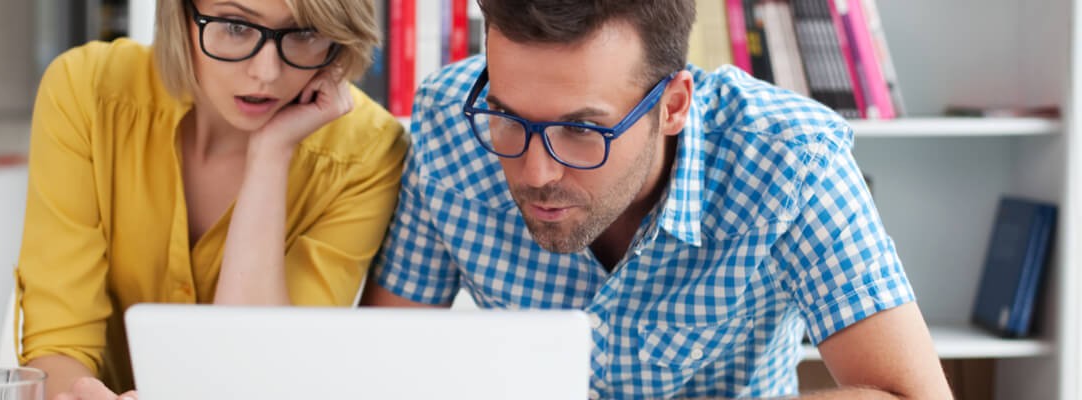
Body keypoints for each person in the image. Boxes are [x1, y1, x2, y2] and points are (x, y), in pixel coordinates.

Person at [363, 0, 953, 398]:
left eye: (582, 130)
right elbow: (376, 369)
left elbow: (910, 395)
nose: (535, 172)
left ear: (672, 106)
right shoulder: (446, 125)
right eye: (506, 117)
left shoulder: (790, 160)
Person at [15, 0, 406, 398]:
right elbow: (58, 344)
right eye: (236, 26)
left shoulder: (369, 151)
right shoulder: (87, 90)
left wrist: (270, 154)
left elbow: (261, 373)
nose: (266, 72)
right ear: (180, 15)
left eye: (306, 33)